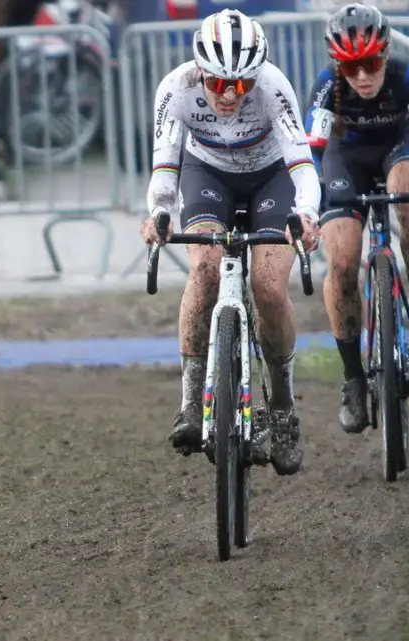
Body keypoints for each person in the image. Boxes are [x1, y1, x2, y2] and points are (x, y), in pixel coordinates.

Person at [140, 9, 322, 476]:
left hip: (270, 179)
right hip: (208, 176)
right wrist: (159, 212)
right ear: (200, 70)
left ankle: (282, 413)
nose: (227, 94)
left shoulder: (273, 87)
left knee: (268, 286)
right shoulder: (176, 89)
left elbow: (302, 166)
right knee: (203, 268)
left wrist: (307, 215)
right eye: (218, 83)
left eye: (239, 85)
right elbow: (165, 168)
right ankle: (190, 401)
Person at [304, 3, 409, 434]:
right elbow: (312, 153)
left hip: (397, 150)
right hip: (343, 160)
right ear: (338, 66)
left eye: (370, 64)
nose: (363, 77)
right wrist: (309, 194)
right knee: (345, 261)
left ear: (385, 56)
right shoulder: (326, 86)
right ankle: (353, 378)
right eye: (352, 68)